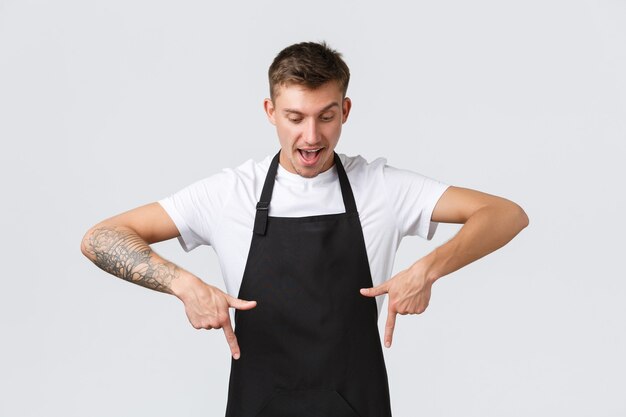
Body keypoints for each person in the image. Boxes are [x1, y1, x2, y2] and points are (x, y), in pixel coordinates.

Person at [81, 41, 529, 417]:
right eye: (295, 118)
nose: (311, 136)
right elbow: (99, 237)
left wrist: (429, 268)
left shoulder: (382, 188)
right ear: (270, 111)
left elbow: (506, 214)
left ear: (346, 110)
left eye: (326, 116)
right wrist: (181, 283)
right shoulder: (230, 193)